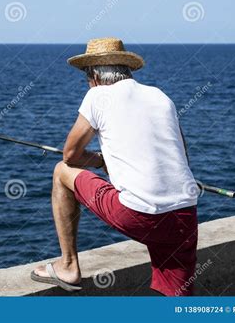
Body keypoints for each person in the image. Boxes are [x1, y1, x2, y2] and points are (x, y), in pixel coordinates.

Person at [30, 37, 199, 296]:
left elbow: (70, 155)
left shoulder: (97, 95)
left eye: (87, 78)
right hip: (184, 216)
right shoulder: (160, 96)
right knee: (177, 295)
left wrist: (100, 161)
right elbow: (181, 154)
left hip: (140, 215)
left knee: (60, 172)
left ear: (95, 76)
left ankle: (68, 266)